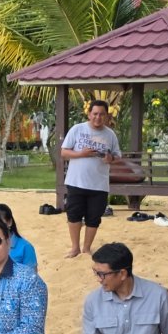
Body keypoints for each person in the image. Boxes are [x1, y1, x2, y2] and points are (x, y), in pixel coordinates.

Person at [61, 99, 121, 258]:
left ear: (107, 116)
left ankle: (86, 248)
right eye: (95, 114)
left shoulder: (110, 134)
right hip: (76, 181)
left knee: (94, 217)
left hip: (99, 184)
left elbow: (117, 156)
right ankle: (75, 247)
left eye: (102, 114)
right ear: (89, 114)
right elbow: (64, 153)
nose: (98, 117)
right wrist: (81, 154)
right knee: (73, 215)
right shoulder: (77, 129)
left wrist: (111, 159)